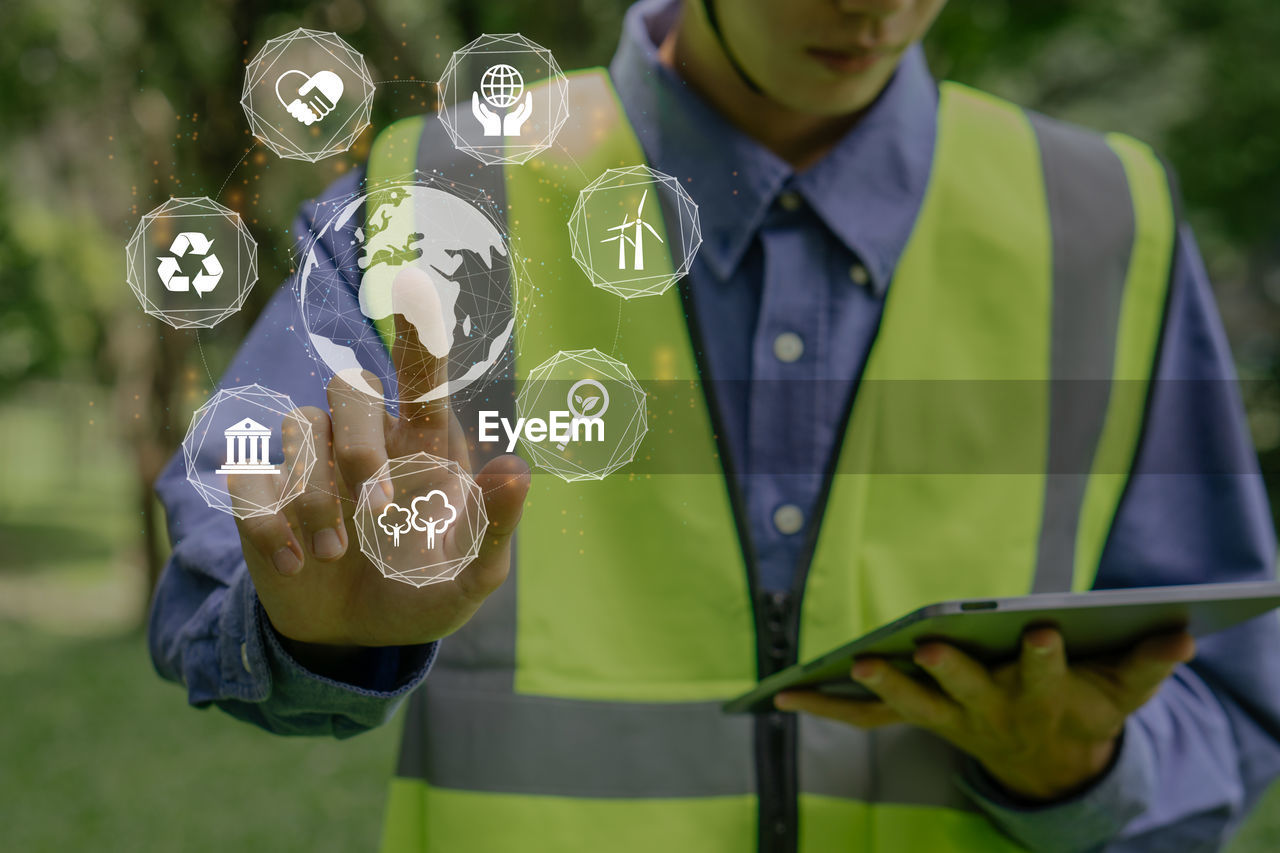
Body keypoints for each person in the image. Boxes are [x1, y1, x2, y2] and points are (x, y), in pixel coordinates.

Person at [149, 0, 1280, 850]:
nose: (873, 7)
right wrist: (323, 629)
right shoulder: (442, 192)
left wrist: (1085, 768)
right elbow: (220, 584)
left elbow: (1224, 705)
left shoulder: (1104, 221)